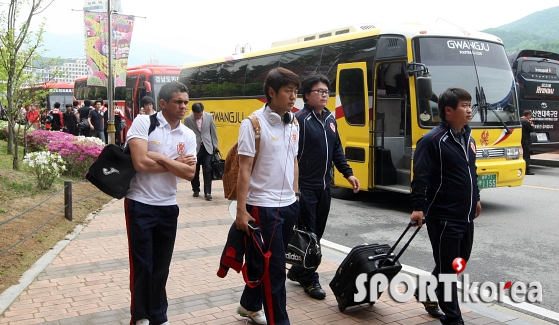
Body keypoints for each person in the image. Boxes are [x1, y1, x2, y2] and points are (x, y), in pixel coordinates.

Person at [125, 81, 197, 325]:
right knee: (143, 265)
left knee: (161, 267)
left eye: (185, 102)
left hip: (168, 206)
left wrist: (160, 157)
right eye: (178, 101)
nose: (183, 106)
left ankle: (158, 315)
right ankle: (141, 316)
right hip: (140, 203)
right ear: (163, 103)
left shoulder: (187, 134)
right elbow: (140, 164)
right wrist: (174, 162)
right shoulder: (144, 123)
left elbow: (189, 174)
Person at [410, 88, 482, 325]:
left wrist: (476, 198)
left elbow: (472, 173)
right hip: (443, 216)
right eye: (464, 105)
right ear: (448, 111)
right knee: (448, 272)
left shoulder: (468, 138)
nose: (469, 109)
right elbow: (420, 176)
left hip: (466, 215)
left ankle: (427, 291)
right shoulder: (432, 140)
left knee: (458, 261)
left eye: (470, 105)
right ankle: (453, 319)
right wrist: (418, 207)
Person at [235, 67, 300, 325]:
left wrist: (295, 194)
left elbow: (294, 160)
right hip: (264, 207)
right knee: (275, 271)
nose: (294, 96)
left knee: (263, 262)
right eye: (288, 91)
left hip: (288, 205)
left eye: (296, 91)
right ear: (271, 92)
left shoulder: (293, 122)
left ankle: (250, 305)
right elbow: (244, 168)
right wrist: (241, 211)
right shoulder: (253, 124)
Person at [286, 74, 360, 300]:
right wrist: (296, 190)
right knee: (310, 235)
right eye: (319, 91)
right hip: (306, 188)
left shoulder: (330, 119)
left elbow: (336, 149)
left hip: (324, 187)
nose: (325, 95)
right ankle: (310, 279)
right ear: (307, 96)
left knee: (318, 232)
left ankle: (299, 269)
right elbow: (292, 157)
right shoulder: (299, 120)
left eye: (327, 91)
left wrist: (348, 174)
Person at [184, 102, 218, 200]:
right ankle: (196, 189)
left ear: (203, 111)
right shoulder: (188, 119)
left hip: (207, 147)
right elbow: (185, 134)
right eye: (196, 115)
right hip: (194, 148)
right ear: (193, 113)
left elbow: (213, 130)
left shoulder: (209, 117)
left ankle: (207, 192)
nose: (198, 117)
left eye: (200, 115)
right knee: (195, 169)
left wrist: (215, 144)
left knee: (207, 169)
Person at [521, 110, 535, 175]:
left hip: (520, 140)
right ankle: (527, 170)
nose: (530, 117)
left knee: (522, 155)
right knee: (526, 156)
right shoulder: (525, 122)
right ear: (528, 115)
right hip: (525, 140)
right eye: (530, 115)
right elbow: (531, 129)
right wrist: (532, 125)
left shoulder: (519, 120)